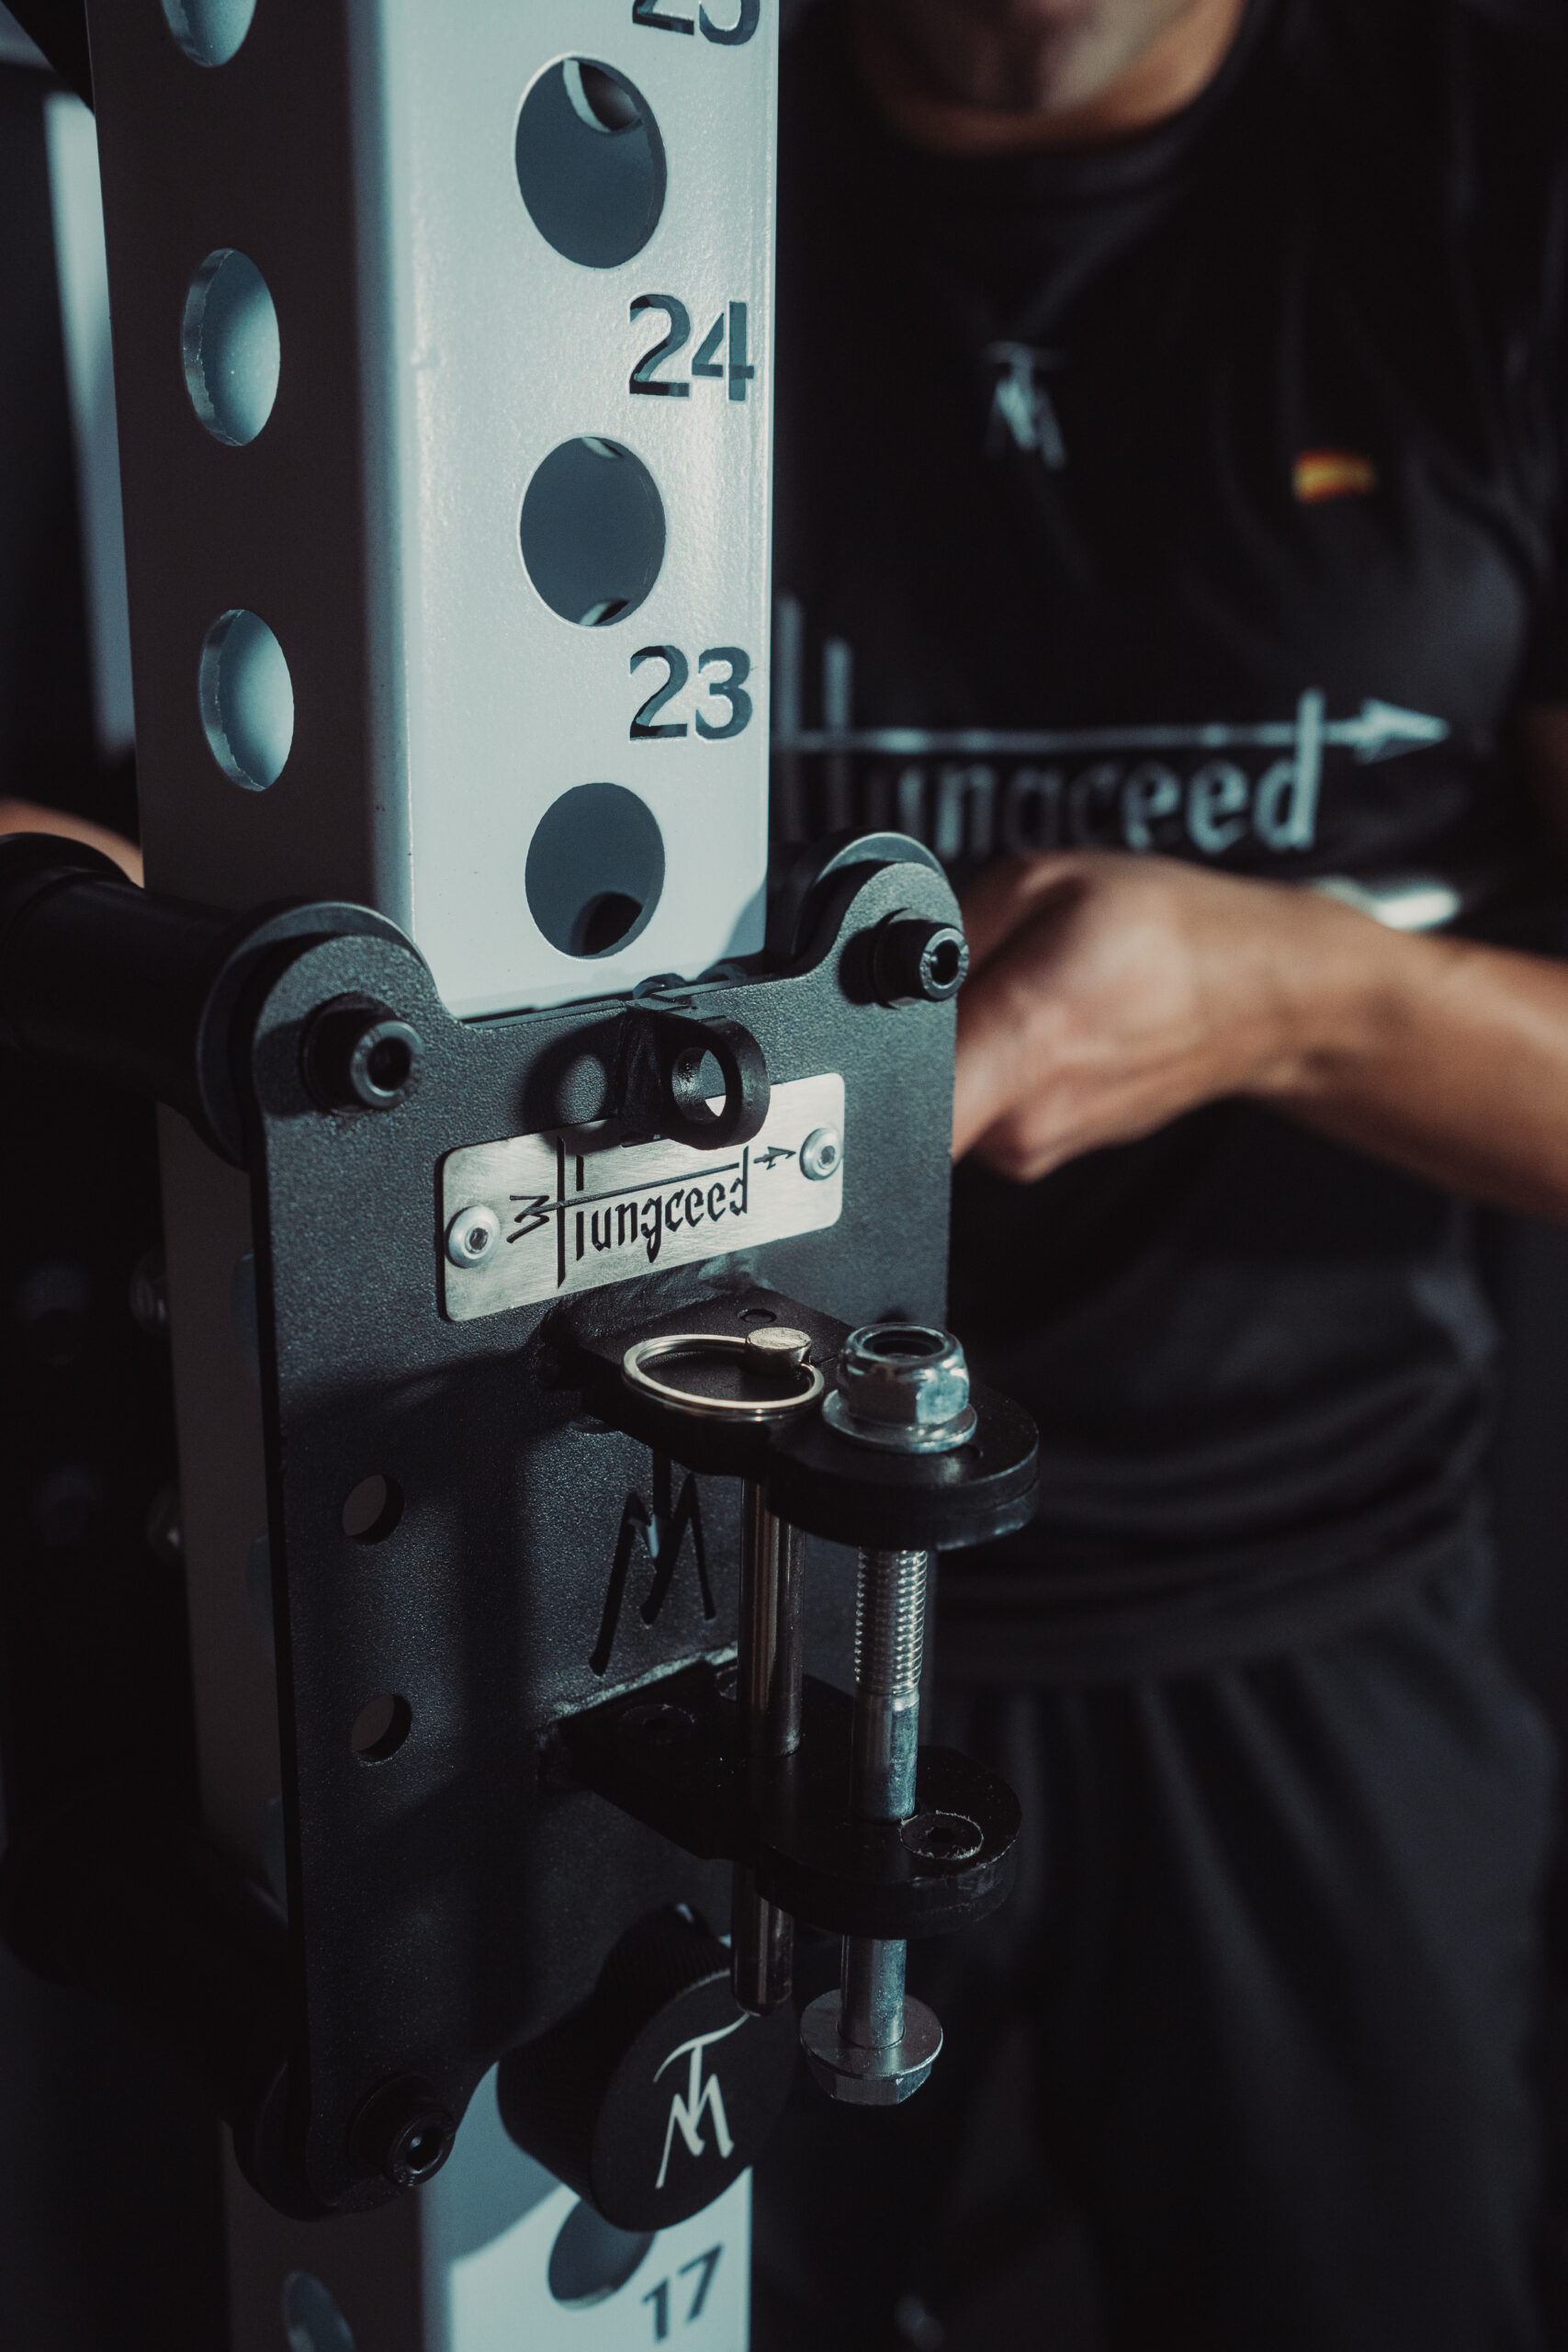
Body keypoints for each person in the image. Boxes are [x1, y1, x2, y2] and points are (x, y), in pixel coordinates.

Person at [756, 0, 1568, 2346]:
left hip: (1297, 1594)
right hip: (669, 1611)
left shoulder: (1493, 169)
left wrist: (1289, 999)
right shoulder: (554, 136)